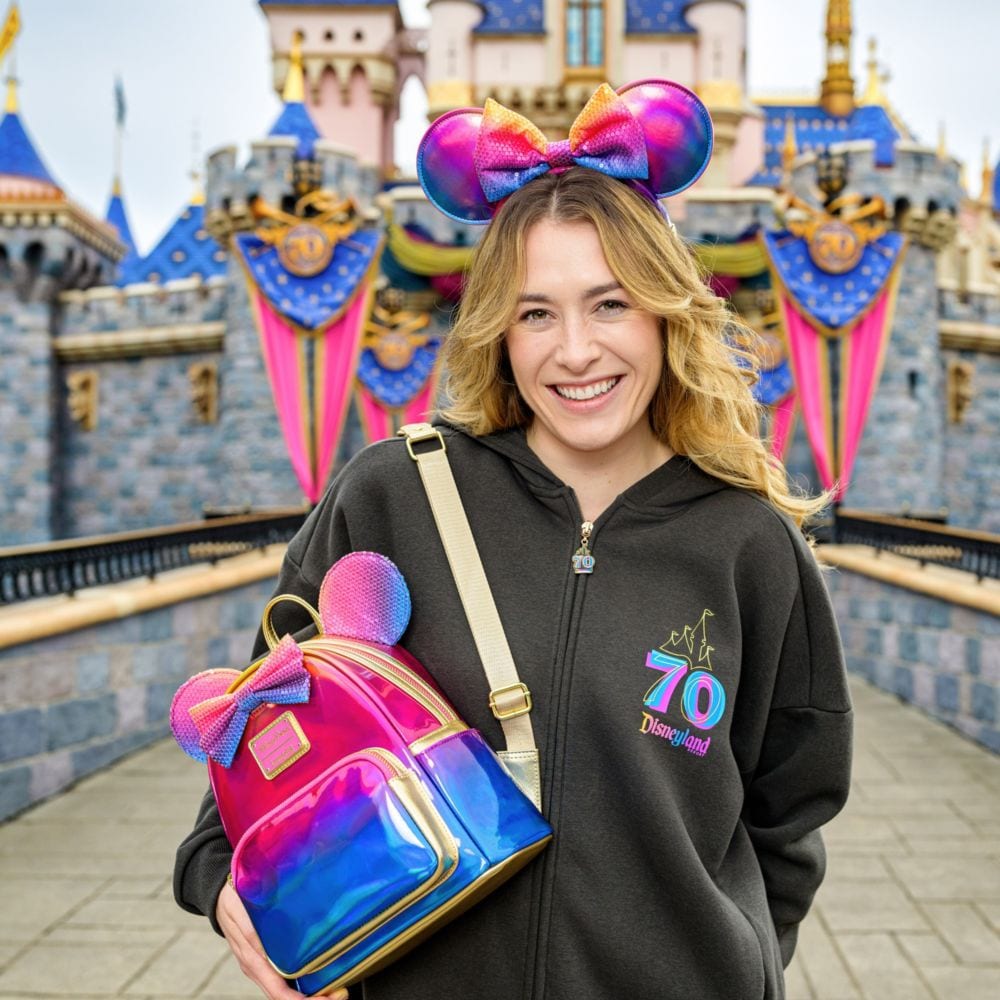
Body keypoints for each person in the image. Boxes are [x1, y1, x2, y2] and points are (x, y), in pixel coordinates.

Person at [174, 81, 852, 1000]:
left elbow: (789, 812)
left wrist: (741, 961)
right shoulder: (395, 495)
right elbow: (253, 737)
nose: (575, 350)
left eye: (610, 304)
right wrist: (225, 888)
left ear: (665, 310)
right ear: (499, 327)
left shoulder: (750, 545)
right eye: (537, 312)